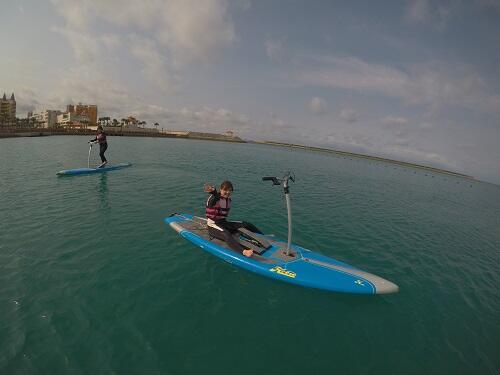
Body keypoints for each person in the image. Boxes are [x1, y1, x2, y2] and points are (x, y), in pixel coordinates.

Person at [204, 180, 263, 257]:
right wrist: (213, 191)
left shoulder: (228, 200)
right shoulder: (214, 198)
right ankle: (244, 252)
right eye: (225, 190)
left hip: (223, 223)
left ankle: (263, 236)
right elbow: (215, 198)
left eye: (230, 190)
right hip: (213, 225)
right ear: (220, 190)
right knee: (226, 234)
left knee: (246, 224)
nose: (228, 192)